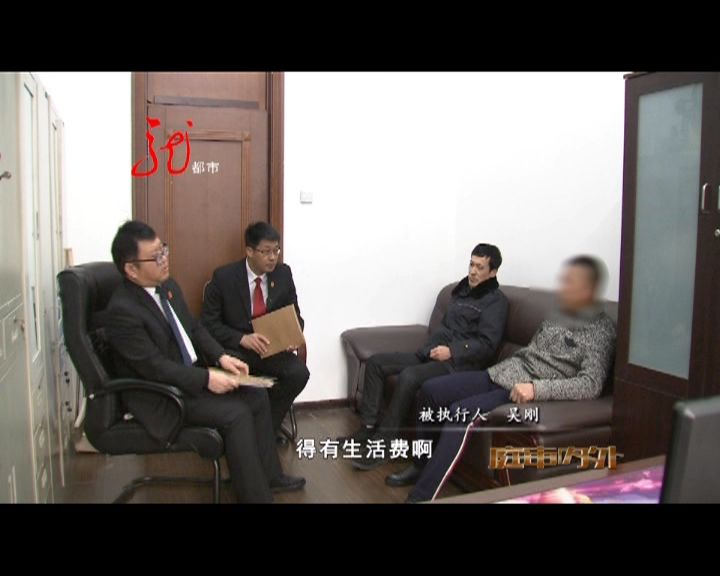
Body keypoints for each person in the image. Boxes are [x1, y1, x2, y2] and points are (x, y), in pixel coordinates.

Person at [102, 220, 305, 503]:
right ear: (131, 269)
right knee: (236, 413)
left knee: (255, 393)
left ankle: (269, 476)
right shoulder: (123, 312)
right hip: (163, 395)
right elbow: (154, 367)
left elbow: (195, 328)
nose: (164, 259)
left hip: (189, 377)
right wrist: (208, 378)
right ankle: (255, 496)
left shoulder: (166, 286)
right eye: (155, 257)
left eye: (163, 250)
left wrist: (222, 357)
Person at [395, 255, 617, 502]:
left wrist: (536, 389)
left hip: (521, 391)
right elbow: (530, 353)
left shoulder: (601, 330)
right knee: (430, 391)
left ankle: (421, 497)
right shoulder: (557, 315)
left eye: (569, 282)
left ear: (588, 289)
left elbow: (590, 384)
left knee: (460, 413)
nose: (562, 286)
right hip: (500, 372)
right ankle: (420, 464)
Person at [349, 243, 508, 471]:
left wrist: (452, 351)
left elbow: (487, 344)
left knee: (409, 376)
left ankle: (384, 445)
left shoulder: (496, 301)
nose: (473, 271)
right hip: (431, 354)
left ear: (493, 272)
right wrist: (431, 348)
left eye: (480, 267)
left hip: (458, 365)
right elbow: (446, 328)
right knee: (375, 363)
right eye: (471, 264)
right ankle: (367, 428)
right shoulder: (461, 291)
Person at [201, 222, 309, 439]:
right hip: (237, 351)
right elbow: (208, 324)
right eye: (266, 251)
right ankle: (248, 430)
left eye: (276, 250)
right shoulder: (224, 277)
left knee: (299, 374)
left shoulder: (283, 274)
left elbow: (295, 314)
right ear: (249, 251)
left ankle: (265, 430)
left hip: (271, 349)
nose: (272, 257)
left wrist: (291, 336)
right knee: (241, 378)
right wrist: (242, 338)